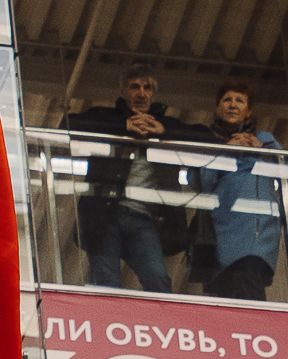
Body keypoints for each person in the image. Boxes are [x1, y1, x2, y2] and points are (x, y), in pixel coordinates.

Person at [67, 63, 211, 292]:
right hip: (105, 215)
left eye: (147, 87)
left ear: (153, 94)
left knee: (159, 282)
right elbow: (67, 124)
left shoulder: (164, 124)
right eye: (135, 87)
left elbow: (207, 138)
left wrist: (164, 132)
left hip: (144, 219)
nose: (141, 93)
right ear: (123, 92)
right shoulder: (106, 117)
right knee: (106, 282)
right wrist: (122, 126)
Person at [196, 79, 283, 302]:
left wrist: (263, 151)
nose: (233, 105)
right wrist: (226, 151)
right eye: (227, 100)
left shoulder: (265, 139)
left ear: (248, 112)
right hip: (223, 232)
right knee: (229, 301)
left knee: (248, 283)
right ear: (217, 108)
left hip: (258, 233)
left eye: (239, 101)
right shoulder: (207, 142)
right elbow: (201, 184)